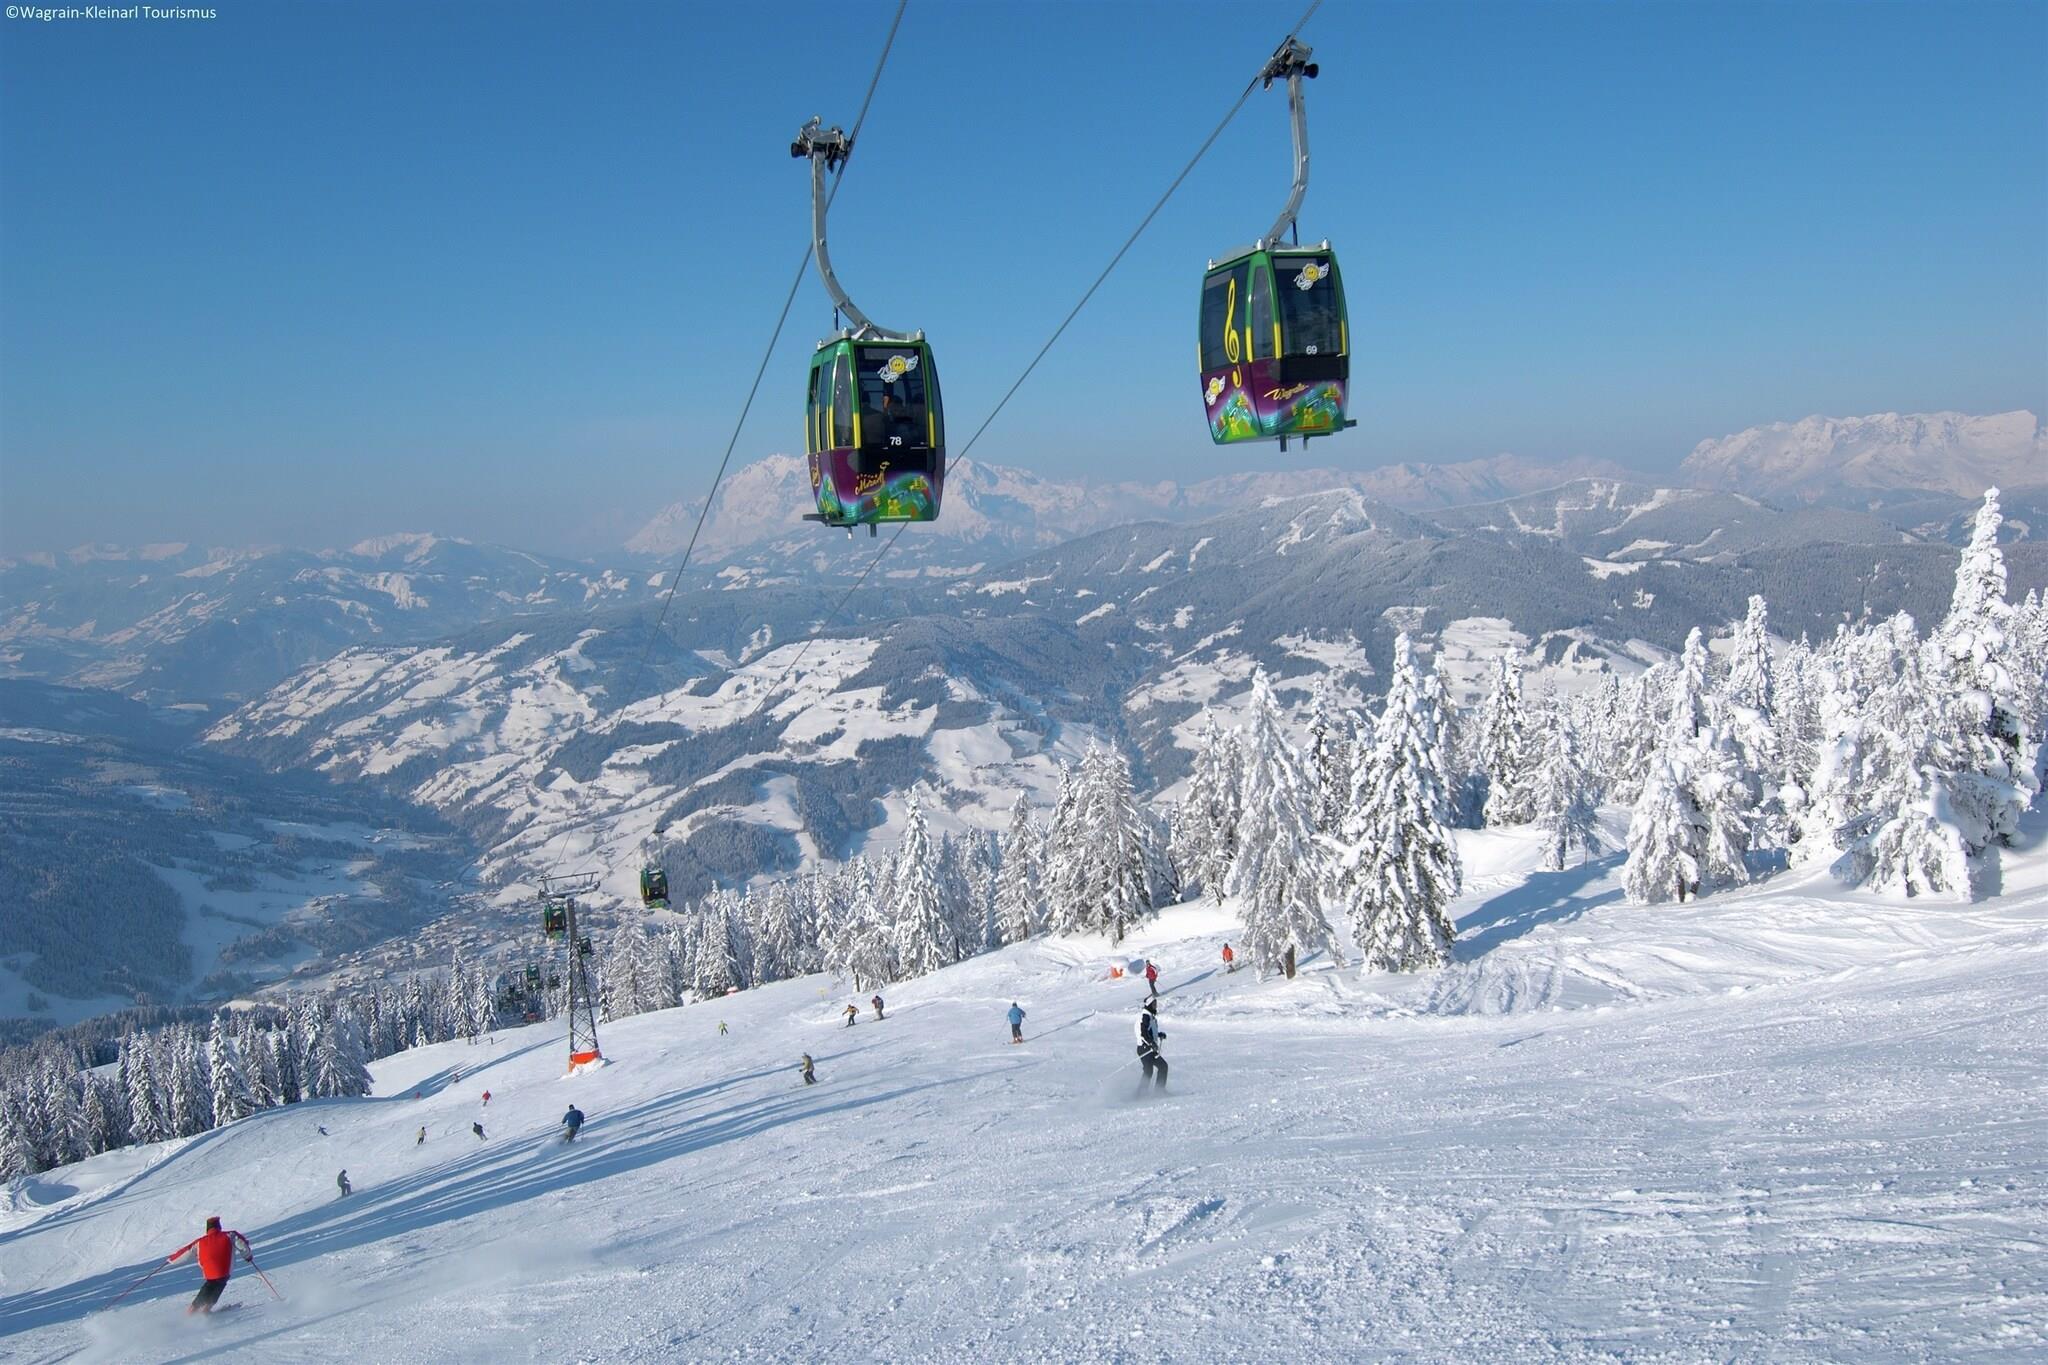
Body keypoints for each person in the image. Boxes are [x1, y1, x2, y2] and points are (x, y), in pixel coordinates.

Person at [165, 1216, 253, 1315]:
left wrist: (171, 1260)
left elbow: (185, 1253)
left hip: (209, 1273)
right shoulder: (230, 1235)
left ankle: (192, 1310)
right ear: (219, 1227)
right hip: (224, 1270)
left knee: (209, 1286)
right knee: (219, 1284)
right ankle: (205, 1310)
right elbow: (243, 1245)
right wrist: (248, 1257)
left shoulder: (199, 1242)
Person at [1135, 999, 1167, 1090]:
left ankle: (1159, 1091)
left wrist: (1159, 1035)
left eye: (1156, 1004)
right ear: (1149, 1005)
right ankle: (1140, 1094)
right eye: (1154, 1004)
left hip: (1150, 1048)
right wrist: (1151, 1043)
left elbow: (1150, 1032)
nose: (1156, 1006)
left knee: (1163, 1066)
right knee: (1148, 1071)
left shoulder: (1150, 1016)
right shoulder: (1145, 1016)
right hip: (1144, 1048)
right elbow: (1143, 1033)